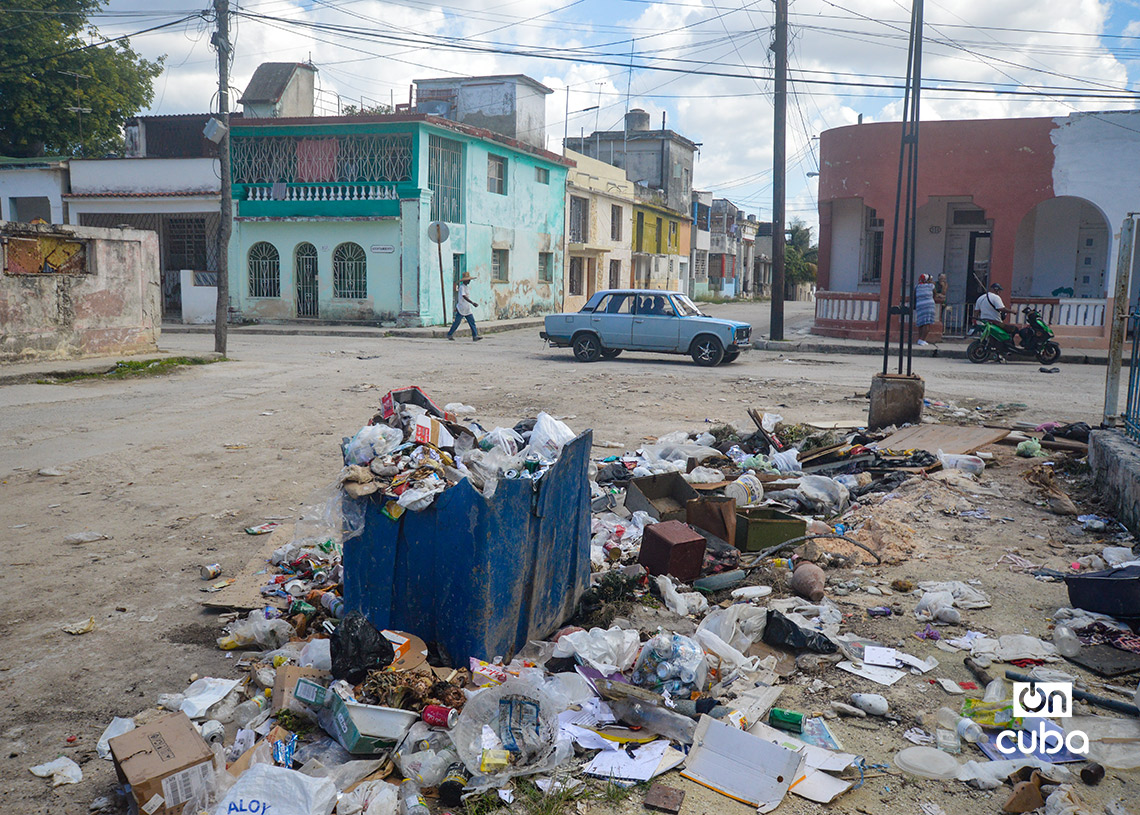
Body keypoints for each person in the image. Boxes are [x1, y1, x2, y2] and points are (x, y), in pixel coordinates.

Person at [446, 273, 482, 341]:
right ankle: (449, 334)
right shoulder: (462, 287)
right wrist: (472, 302)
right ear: (464, 281)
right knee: (457, 322)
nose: (469, 281)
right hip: (461, 308)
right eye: (468, 280)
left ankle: (475, 336)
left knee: (472, 322)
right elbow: (464, 296)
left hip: (467, 308)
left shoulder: (466, 287)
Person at [914, 274, 937, 345]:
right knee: (927, 323)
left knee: (921, 323)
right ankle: (922, 339)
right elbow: (935, 294)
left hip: (919, 306)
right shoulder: (931, 286)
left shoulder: (917, 287)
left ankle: (920, 339)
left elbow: (914, 296)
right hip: (928, 306)